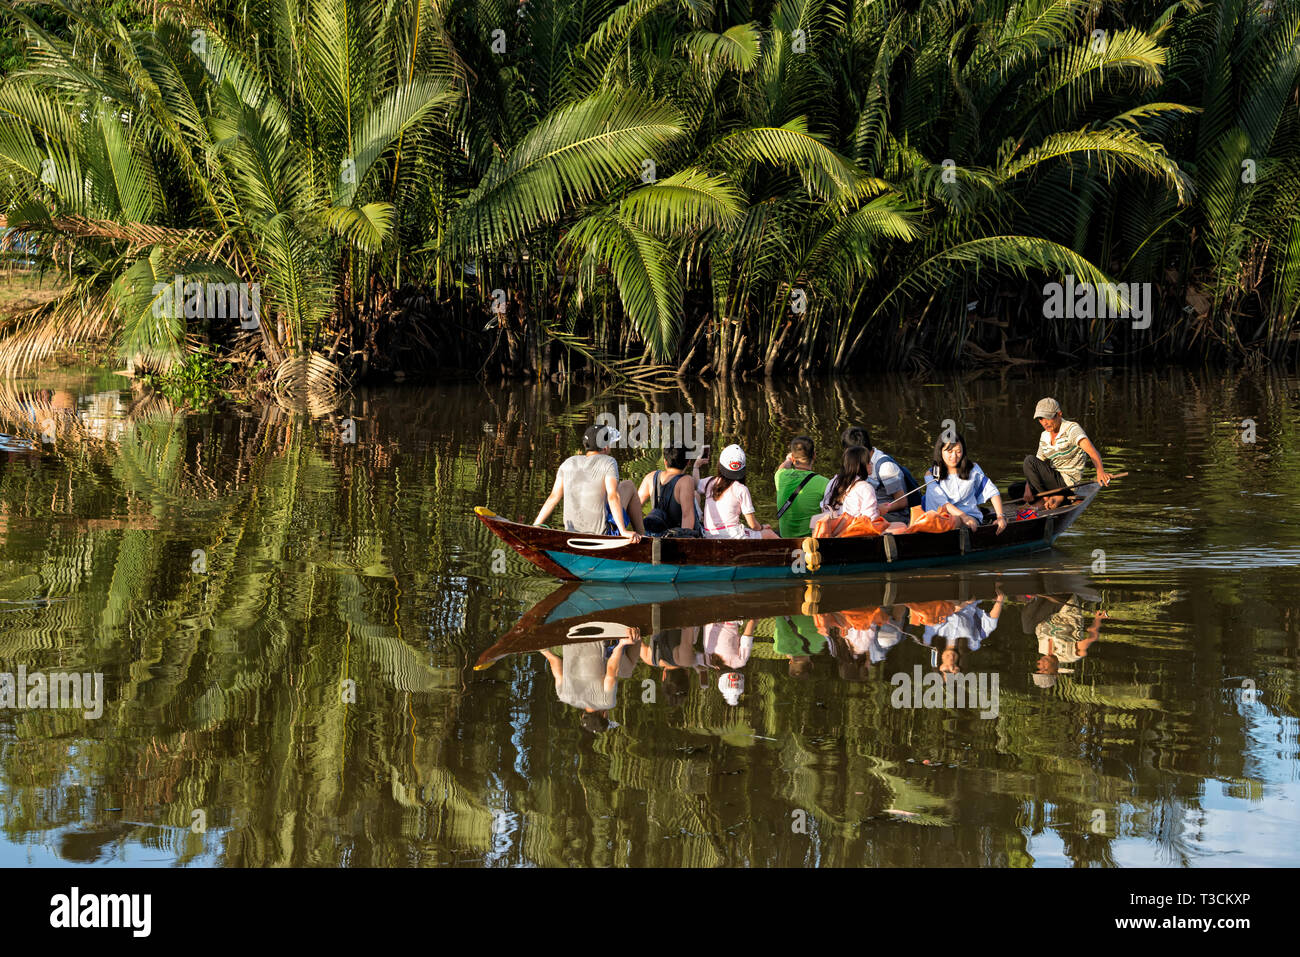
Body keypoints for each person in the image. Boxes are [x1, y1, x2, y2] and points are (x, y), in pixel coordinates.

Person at [532, 423, 643, 540]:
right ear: (605, 447)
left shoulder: (568, 462)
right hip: (602, 534)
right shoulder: (609, 461)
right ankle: (643, 537)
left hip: (571, 533)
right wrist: (623, 531)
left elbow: (553, 497)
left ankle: (535, 525)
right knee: (628, 485)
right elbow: (613, 496)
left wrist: (536, 526)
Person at [1018, 398, 1112, 510]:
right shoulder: (1044, 435)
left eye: (1048, 418)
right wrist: (1028, 487)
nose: (1044, 422)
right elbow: (1036, 466)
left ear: (1059, 414)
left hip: (1068, 482)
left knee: (1028, 460)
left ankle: (1046, 499)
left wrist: (1100, 472)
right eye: (1041, 419)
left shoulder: (1072, 429)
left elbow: (1092, 451)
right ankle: (1058, 497)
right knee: (1015, 489)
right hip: (1054, 480)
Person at [538, 631, 641, 733]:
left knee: (627, 672)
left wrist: (621, 644)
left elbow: (611, 672)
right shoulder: (564, 696)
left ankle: (638, 634)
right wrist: (543, 650)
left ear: (604, 715)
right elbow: (555, 662)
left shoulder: (607, 702)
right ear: (583, 715)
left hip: (597, 635)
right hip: (569, 635)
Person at [922, 433, 1007, 533]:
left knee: (955, 520)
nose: (954, 456)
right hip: (940, 518)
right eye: (949, 451)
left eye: (958, 452)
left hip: (970, 517)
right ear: (940, 451)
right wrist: (963, 516)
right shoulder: (932, 474)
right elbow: (943, 503)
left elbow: (992, 491)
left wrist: (1000, 516)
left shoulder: (973, 469)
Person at [830, 425, 914, 524]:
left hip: (891, 517)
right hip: (867, 512)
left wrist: (877, 509)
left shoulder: (885, 468)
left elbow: (902, 502)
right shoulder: (858, 465)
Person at [817, 446, 908, 535]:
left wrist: (877, 509)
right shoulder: (865, 487)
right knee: (901, 526)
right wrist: (879, 511)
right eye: (869, 462)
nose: (871, 464)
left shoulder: (833, 482)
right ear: (862, 466)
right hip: (852, 532)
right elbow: (870, 521)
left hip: (832, 529)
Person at [698, 444, 780, 539]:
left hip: (709, 535)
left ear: (720, 465)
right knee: (769, 533)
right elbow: (753, 525)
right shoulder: (741, 489)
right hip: (733, 536)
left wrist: (696, 466)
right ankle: (792, 552)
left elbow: (695, 484)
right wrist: (762, 527)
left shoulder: (709, 482)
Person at [774, 436, 829, 538]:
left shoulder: (780, 476)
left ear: (793, 459)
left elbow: (781, 468)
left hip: (786, 538)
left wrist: (788, 459)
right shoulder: (825, 483)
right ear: (814, 456)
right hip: (810, 541)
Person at [637, 445, 699, 535]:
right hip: (672, 538)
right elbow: (687, 516)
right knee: (696, 496)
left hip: (652, 534)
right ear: (688, 462)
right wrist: (684, 542)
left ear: (665, 462)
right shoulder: (686, 481)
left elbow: (635, 505)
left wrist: (638, 530)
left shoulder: (651, 476)